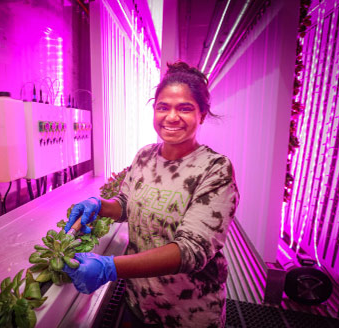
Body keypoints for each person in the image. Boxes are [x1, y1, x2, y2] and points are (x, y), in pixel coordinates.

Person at [62, 61, 239, 327]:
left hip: (188, 314)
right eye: (163, 107)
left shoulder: (215, 169)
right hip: (138, 302)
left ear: (202, 115)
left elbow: (190, 251)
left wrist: (110, 267)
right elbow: (125, 205)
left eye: (185, 109)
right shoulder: (145, 155)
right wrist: (98, 205)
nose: (171, 117)